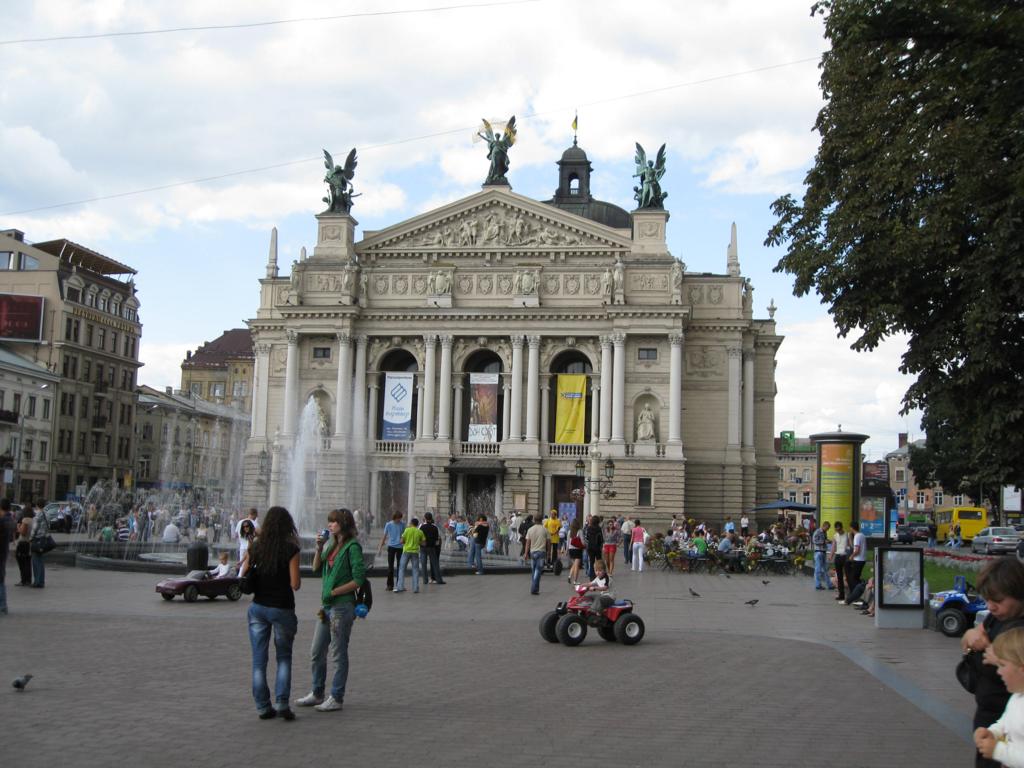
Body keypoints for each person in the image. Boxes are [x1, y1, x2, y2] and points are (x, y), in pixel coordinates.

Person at [297, 508, 366, 713]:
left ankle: (336, 696)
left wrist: (336, 590)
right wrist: (319, 548)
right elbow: (315, 569)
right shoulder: (331, 544)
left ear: (343, 524)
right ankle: (317, 692)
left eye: (334, 522)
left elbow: (358, 579)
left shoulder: (353, 547)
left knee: (337, 652)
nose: (330, 525)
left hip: (342, 607)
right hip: (326, 607)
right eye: (329, 521)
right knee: (316, 651)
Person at [962, 558, 1024, 768]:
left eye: (998, 600)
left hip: (1004, 709)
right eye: (987, 599)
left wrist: (996, 654)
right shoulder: (996, 618)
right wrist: (972, 636)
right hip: (992, 713)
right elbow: (970, 640)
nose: (991, 606)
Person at [241, 505, 301, 721]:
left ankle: (263, 707)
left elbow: (244, 573)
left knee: (259, 660)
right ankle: (283, 703)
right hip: (282, 607)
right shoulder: (290, 549)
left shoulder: (256, 547)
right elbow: (295, 584)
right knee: (284, 658)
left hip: (258, 608)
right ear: (287, 525)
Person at [975, 628, 1024, 767]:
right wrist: (993, 732)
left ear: (1022, 669)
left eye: (1002, 665)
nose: (998, 671)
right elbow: (1006, 721)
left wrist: (998, 751)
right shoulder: (1017, 696)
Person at [395, 517, 425, 593]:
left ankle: (400, 587)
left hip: (406, 551)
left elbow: (401, 541)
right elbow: (424, 543)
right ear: (417, 524)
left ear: (411, 523)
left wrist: (406, 542)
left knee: (402, 569)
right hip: (415, 552)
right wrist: (417, 542)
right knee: (415, 570)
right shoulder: (420, 532)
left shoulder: (407, 530)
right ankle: (415, 588)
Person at [377, 511, 404, 591]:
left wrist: (404, 542)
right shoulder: (388, 524)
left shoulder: (402, 524)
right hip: (391, 546)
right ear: (394, 517)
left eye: (400, 518)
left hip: (400, 547)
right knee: (390, 567)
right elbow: (384, 536)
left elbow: (404, 535)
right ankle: (390, 585)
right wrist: (380, 549)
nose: (399, 520)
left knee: (400, 566)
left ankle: (399, 584)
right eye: (398, 518)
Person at [525, 514, 549, 595]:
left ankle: (535, 588)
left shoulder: (530, 530)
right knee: (538, 571)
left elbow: (527, 543)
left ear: (534, 520)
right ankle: (534, 588)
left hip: (532, 552)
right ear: (541, 520)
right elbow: (548, 543)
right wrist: (549, 552)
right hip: (541, 552)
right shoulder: (545, 530)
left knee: (534, 570)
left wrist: (526, 553)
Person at [419, 512, 445, 585]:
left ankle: (425, 580)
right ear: (431, 518)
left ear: (425, 518)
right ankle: (439, 580)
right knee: (435, 564)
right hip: (431, 547)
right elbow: (437, 539)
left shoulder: (421, 527)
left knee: (423, 564)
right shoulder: (435, 527)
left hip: (423, 548)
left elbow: (419, 537)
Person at [845, 522, 868, 603]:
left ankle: (856, 596)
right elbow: (854, 546)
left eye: (850, 528)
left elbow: (857, 549)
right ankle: (856, 595)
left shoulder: (857, 536)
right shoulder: (862, 535)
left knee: (853, 579)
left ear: (851, 528)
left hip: (858, 560)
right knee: (855, 578)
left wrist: (852, 556)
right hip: (862, 559)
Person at [29, 498, 49, 588]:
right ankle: (41, 581)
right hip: (44, 539)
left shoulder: (38, 515)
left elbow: (34, 529)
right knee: (41, 561)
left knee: (35, 561)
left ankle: (37, 582)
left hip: (37, 539)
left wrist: (30, 538)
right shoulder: (46, 514)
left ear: (37, 505)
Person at [829, 521, 851, 602]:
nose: (838, 531)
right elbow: (833, 547)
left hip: (845, 556)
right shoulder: (835, 535)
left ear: (842, 528)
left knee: (848, 575)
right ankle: (841, 594)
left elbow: (850, 545)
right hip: (838, 556)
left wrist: (850, 555)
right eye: (836, 530)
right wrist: (831, 556)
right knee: (839, 576)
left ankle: (850, 594)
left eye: (839, 529)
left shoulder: (847, 535)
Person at [14, 506, 33, 587]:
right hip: (29, 543)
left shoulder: (25, 520)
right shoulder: (33, 520)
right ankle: (28, 580)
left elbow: (23, 532)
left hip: (23, 543)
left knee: (22, 563)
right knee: (28, 562)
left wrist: (18, 527)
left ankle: (23, 580)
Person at [0, 498, 13, 614]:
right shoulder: (9, 519)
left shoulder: (2, 520)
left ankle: (2, 606)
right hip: (4, 552)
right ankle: (3, 605)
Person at [812, 520, 832, 590]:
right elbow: (814, 541)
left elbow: (825, 540)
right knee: (818, 569)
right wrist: (824, 542)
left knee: (826, 569)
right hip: (818, 552)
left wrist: (829, 541)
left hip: (823, 551)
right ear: (824, 526)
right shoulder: (817, 531)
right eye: (827, 528)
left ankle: (829, 585)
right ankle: (818, 585)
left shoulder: (824, 532)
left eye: (828, 528)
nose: (828, 529)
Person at [585, 515, 604, 579]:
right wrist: (601, 546)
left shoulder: (589, 528)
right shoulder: (599, 528)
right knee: (599, 562)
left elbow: (587, 538)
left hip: (590, 547)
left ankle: (592, 577)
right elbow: (601, 539)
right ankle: (600, 576)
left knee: (591, 562)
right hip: (597, 547)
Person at [566, 520, 584, 585]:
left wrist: (566, 550)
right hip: (577, 549)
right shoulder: (579, 531)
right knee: (577, 566)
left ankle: (570, 576)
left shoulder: (569, 532)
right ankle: (575, 581)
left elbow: (567, 542)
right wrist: (584, 545)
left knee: (574, 564)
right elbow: (582, 541)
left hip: (571, 550)